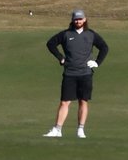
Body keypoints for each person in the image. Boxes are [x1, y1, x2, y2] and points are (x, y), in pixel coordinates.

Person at [44, 9, 108, 138]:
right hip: (70, 73)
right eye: (76, 19)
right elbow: (51, 44)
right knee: (64, 102)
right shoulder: (66, 34)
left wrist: (97, 62)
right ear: (73, 20)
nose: (78, 21)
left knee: (83, 101)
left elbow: (104, 47)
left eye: (80, 19)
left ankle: (80, 130)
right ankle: (57, 129)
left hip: (85, 73)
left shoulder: (91, 34)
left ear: (85, 20)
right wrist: (61, 58)